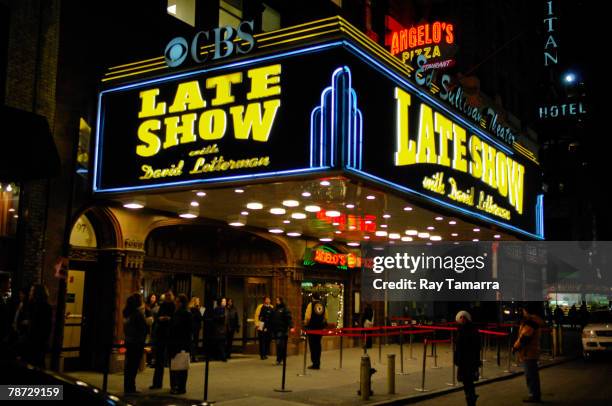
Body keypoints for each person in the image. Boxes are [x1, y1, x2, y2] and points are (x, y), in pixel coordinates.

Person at [513, 303, 544, 403]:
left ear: (527, 311)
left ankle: (534, 395)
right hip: (530, 352)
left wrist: (515, 347)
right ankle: (535, 394)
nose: (523, 312)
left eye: (524, 310)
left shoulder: (531, 322)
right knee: (532, 375)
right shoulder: (532, 321)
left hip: (528, 352)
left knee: (530, 376)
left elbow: (524, 337)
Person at [454, 310, 481, 406]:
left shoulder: (471, 330)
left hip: (469, 360)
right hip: (463, 361)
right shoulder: (460, 330)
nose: (462, 319)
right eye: (460, 317)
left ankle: (471, 399)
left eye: (464, 317)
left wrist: (477, 362)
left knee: (468, 382)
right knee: (467, 382)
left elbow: (477, 347)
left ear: (467, 318)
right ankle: (471, 397)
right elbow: (458, 347)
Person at [122, 292, 147, 394]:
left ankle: (128, 387)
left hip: (129, 341)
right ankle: (130, 388)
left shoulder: (127, 313)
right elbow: (143, 328)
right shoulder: (137, 314)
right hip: (137, 342)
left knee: (129, 366)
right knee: (133, 366)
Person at [150, 290, 175, 390]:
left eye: (169, 296)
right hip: (162, 334)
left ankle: (173, 385)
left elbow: (174, 319)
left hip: (168, 335)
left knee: (170, 361)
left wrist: (168, 319)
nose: (167, 297)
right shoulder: (163, 305)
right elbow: (158, 318)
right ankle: (157, 383)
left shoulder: (172, 306)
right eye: (167, 296)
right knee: (159, 360)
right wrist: (161, 319)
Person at [23, 284, 52, 368]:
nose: (30, 293)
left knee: (37, 363)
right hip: (34, 341)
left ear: (37, 293)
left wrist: (29, 323)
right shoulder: (33, 305)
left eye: (32, 290)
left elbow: (45, 326)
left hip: (37, 341)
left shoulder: (44, 307)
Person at [169, 294, 192, 395]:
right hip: (179, 343)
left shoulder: (183, 313)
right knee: (179, 366)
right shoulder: (180, 313)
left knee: (179, 366)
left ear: (181, 303)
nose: (175, 303)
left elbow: (182, 329)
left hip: (180, 343)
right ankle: (178, 386)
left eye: (177, 302)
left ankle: (178, 386)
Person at [303, 294, 327, 369]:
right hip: (320, 328)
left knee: (312, 346)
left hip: (312, 328)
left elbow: (308, 317)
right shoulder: (323, 305)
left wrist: (306, 324)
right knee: (318, 345)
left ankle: (314, 363)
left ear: (312, 298)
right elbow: (326, 317)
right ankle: (318, 362)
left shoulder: (311, 304)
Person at [270, 297, 292, 365]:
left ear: (281, 301)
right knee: (278, 345)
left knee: (279, 344)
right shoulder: (275, 309)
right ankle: (280, 359)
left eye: (278, 300)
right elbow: (272, 318)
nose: (277, 301)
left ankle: (279, 359)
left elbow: (288, 318)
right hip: (276, 329)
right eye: (276, 300)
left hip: (282, 329)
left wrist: (291, 326)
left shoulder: (285, 309)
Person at [189, 297, 203, 362]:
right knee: (194, 342)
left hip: (193, 327)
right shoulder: (195, 309)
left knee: (193, 342)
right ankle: (193, 356)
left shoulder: (191, 309)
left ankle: (192, 355)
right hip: (195, 327)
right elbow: (199, 317)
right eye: (198, 301)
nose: (199, 302)